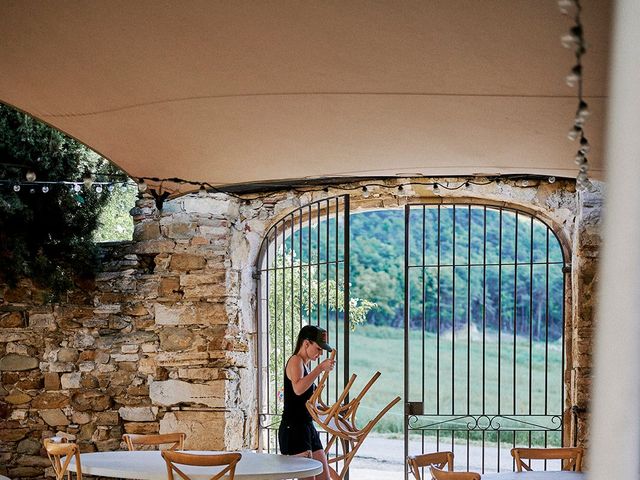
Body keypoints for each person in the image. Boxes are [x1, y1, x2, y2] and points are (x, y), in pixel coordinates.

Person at [278, 324, 335, 480]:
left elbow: (306, 401)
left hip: (307, 427)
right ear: (306, 343)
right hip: (294, 428)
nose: (321, 353)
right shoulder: (295, 360)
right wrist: (320, 369)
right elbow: (298, 389)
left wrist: (333, 410)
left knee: (325, 478)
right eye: (318, 348)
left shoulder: (306, 365)